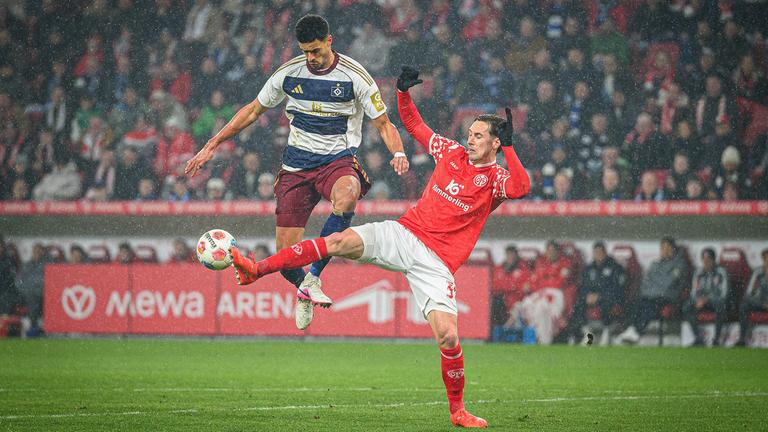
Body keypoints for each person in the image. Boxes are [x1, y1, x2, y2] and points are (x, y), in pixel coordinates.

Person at [227, 66, 530, 428]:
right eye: (470, 133)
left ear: (496, 142)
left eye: (479, 136)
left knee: (448, 336)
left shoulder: (496, 178)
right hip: (404, 234)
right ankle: (256, 269)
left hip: (436, 262)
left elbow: (521, 188)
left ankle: (458, 412)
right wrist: (402, 93)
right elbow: (415, 126)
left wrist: (510, 149)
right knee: (337, 241)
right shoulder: (450, 152)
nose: (470, 139)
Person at [185, 14, 408, 330]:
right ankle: (304, 290)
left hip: (337, 161)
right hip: (296, 167)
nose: (311, 58)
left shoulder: (356, 77)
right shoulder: (288, 74)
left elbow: (384, 124)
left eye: (316, 50)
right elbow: (252, 110)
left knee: (347, 194)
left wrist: (398, 152)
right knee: (286, 256)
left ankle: (314, 276)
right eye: (305, 51)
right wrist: (212, 144)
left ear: (329, 41)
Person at [616, 237, 689, 344]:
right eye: (662, 248)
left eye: (667, 247)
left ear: (673, 249)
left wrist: (655, 285)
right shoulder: (655, 264)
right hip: (651, 296)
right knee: (636, 303)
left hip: (667, 297)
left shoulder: (679, 264)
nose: (664, 250)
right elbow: (646, 282)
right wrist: (654, 287)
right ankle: (630, 329)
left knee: (649, 306)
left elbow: (668, 283)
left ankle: (637, 333)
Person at [567, 242, 627, 342]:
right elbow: (583, 286)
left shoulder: (615, 267)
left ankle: (606, 333)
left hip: (608, 298)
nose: (597, 255)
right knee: (577, 304)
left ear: (605, 253)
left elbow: (617, 288)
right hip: (590, 298)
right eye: (595, 252)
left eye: (600, 252)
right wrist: (587, 295)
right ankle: (588, 334)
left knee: (607, 304)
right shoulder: (589, 268)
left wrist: (599, 296)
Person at [683, 248, 729, 346]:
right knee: (687, 306)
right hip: (701, 302)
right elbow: (694, 292)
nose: (706, 262)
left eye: (708, 260)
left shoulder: (721, 272)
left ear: (714, 260)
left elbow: (724, 294)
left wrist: (707, 299)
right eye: (704, 260)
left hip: (716, 302)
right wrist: (698, 300)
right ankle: (698, 338)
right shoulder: (698, 272)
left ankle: (716, 340)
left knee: (721, 305)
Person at [737, 249, 768, 347]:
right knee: (744, 305)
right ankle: (742, 339)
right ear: (763, 260)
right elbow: (748, 294)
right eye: (766, 259)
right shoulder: (758, 272)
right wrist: (762, 303)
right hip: (761, 303)